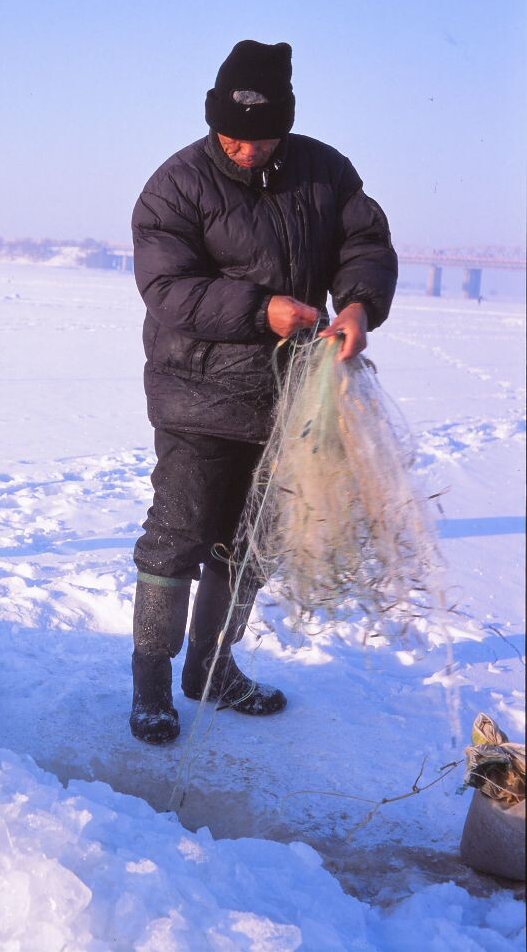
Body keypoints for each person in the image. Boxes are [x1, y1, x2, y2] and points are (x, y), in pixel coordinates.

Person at [129, 40, 398, 743]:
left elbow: (362, 243)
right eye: (232, 137)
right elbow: (167, 287)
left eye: (261, 137)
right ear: (214, 121)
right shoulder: (176, 184)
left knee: (248, 544)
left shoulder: (325, 170)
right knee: (178, 535)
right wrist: (261, 309)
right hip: (198, 394)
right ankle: (151, 683)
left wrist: (359, 304)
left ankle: (212, 668)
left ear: (285, 125)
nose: (245, 150)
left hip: (292, 400)